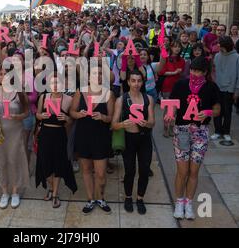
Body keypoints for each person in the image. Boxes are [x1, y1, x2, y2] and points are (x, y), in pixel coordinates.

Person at [168, 57, 221, 220]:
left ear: (205, 72)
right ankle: (179, 202)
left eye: (198, 71)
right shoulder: (180, 84)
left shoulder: (212, 87)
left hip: (201, 132)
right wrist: (170, 114)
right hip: (182, 131)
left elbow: (218, 109)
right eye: (192, 70)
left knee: (194, 171)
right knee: (182, 171)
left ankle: (189, 202)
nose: (194, 73)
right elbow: (172, 103)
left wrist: (207, 113)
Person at [70, 65, 114, 215]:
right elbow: (72, 112)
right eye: (95, 73)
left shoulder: (108, 94)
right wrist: (79, 114)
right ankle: (90, 199)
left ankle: (100, 197)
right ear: (88, 77)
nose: (98, 76)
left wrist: (103, 117)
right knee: (86, 170)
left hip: (101, 137)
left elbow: (111, 118)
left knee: (101, 173)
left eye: (101, 74)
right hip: (84, 135)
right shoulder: (80, 92)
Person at [112, 70, 155, 215]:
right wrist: (123, 124)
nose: (136, 84)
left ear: (142, 82)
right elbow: (113, 125)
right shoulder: (121, 100)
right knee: (130, 171)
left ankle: (140, 198)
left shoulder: (148, 98)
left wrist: (146, 124)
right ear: (129, 82)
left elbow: (152, 122)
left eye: (139, 81)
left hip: (144, 139)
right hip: (129, 140)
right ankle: (128, 197)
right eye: (133, 81)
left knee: (144, 170)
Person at [0, 68, 30, 209]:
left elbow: (27, 112)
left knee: (14, 160)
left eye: (6, 73)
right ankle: (4, 191)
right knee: (1, 161)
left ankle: (15, 191)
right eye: (0, 74)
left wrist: (17, 117)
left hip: (15, 132)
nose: (3, 76)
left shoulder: (19, 92)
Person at [35, 75, 77, 208]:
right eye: (52, 82)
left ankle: (54, 194)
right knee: (45, 163)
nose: (55, 85)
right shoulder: (43, 97)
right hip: (45, 134)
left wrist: (66, 117)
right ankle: (52, 188)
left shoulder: (69, 99)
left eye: (57, 82)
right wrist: (40, 116)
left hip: (60, 135)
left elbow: (72, 120)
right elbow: (37, 114)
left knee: (58, 165)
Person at [211, 36, 239, 145]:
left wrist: (237, 90)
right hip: (217, 88)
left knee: (227, 111)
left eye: (220, 43)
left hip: (230, 89)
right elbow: (214, 71)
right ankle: (217, 131)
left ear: (226, 45)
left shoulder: (237, 57)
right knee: (217, 110)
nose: (218, 45)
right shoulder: (217, 56)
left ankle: (226, 132)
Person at [159, 40, 185, 137]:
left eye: (179, 46)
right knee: (168, 108)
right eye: (175, 46)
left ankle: (171, 127)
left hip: (178, 86)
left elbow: (182, 73)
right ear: (171, 48)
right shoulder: (165, 58)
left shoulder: (182, 60)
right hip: (167, 86)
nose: (177, 48)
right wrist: (173, 72)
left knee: (174, 109)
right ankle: (166, 128)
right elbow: (161, 72)